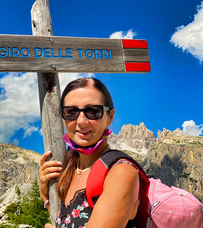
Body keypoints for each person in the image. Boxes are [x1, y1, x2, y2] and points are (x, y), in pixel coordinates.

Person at [39, 78, 140, 228]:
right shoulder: (68, 170)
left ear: (110, 116)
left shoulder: (120, 172)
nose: (81, 121)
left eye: (93, 111)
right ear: (63, 116)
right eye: (71, 112)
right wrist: (45, 195)